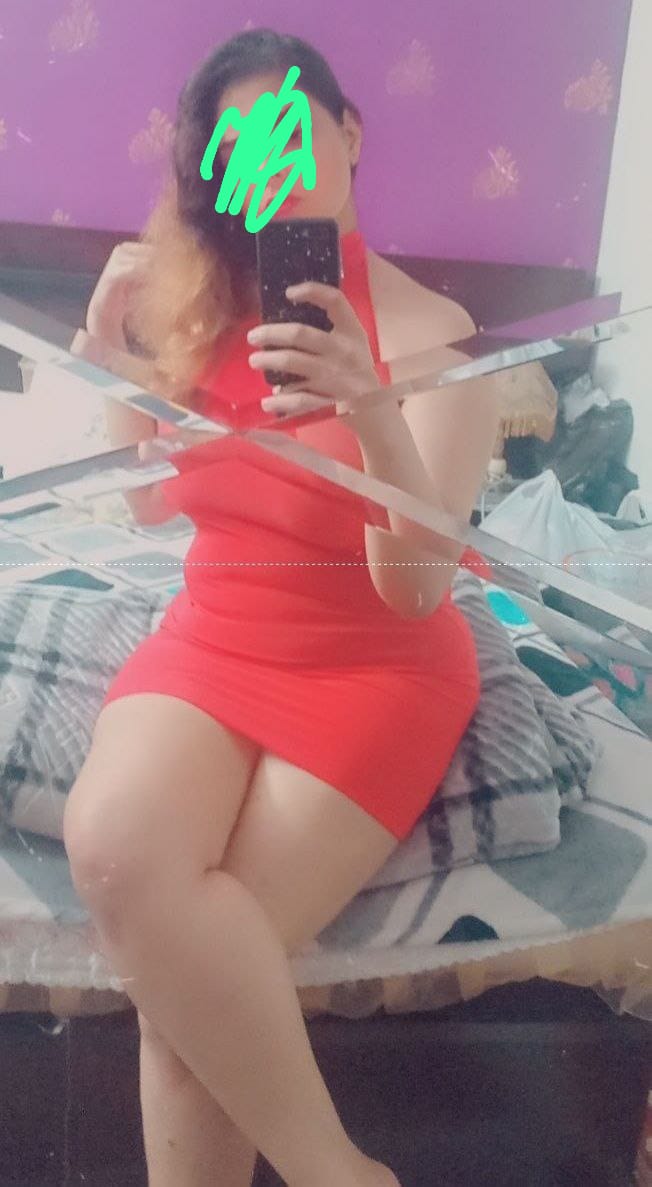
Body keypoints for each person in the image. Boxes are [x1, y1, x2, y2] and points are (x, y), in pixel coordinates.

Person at [63, 28, 501, 1187]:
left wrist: (370, 409)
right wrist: (106, 347)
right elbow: (147, 502)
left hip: (374, 668)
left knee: (193, 999)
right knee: (113, 844)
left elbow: (414, 590)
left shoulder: (439, 344)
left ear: (349, 133)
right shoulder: (204, 304)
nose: (273, 168)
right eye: (240, 150)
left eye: (289, 134)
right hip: (212, 634)